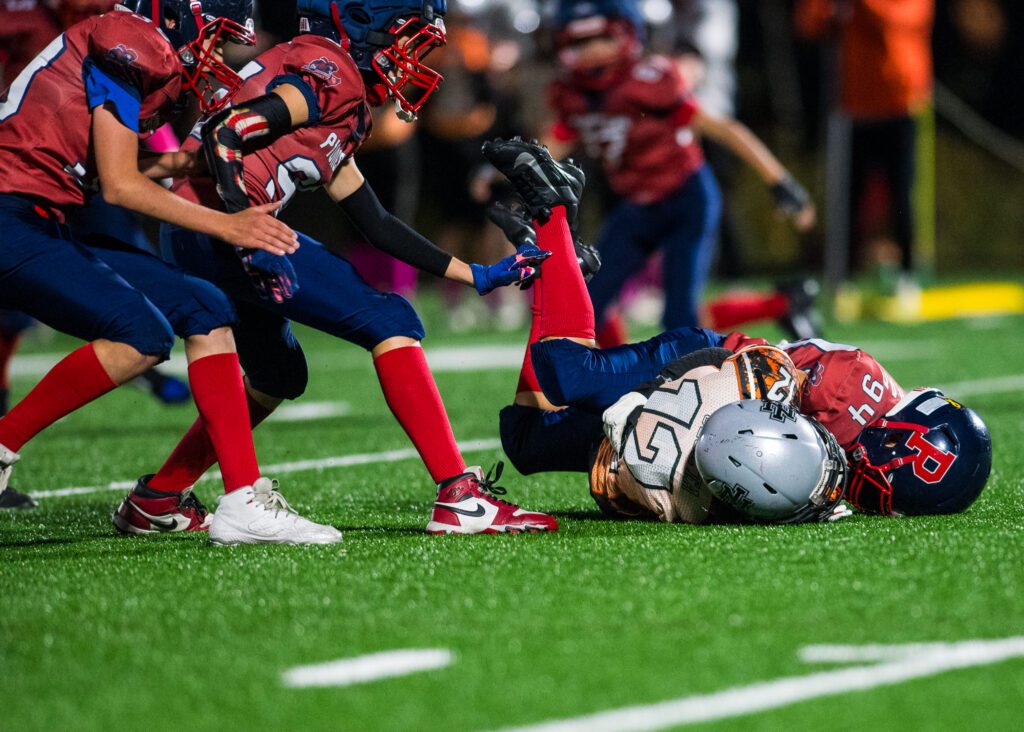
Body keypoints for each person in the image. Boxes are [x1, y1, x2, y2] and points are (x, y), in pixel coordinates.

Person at [121, 0, 559, 535]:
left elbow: (377, 223)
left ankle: (159, 496)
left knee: (278, 374)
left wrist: (476, 275)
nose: (410, 56)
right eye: (408, 38)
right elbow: (226, 135)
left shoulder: (321, 79)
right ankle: (459, 496)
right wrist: (244, 228)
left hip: (195, 228)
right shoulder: (330, 73)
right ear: (364, 24)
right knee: (389, 318)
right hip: (219, 227)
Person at [484, 137, 992, 520]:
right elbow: (759, 389)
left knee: (526, 441)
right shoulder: (851, 390)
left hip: (713, 404)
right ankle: (554, 212)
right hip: (704, 368)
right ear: (907, 442)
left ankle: (553, 260)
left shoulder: (868, 415)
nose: (886, 502)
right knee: (567, 373)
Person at [0, 1, 342, 545]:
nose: (217, 52)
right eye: (216, 35)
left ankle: (241, 501)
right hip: (12, 216)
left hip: (44, 217)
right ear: (181, 15)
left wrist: (185, 163)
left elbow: (100, 174)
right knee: (141, 335)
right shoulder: (128, 39)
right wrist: (228, 224)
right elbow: (119, 186)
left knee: (205, 307)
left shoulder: (123, 44)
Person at [543, 0, 816, 346]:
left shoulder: (651, 80)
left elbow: (723, 128)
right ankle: (615, 368)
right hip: (637, 205)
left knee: (679, 318)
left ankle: (779, 309)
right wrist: (502, 175)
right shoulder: (570, 94)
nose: (593, 50)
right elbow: (552, 143)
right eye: (580, 41)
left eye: (602, 38)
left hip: (686, 198)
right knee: (586, 301)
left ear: (627, 34)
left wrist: (779, 181)